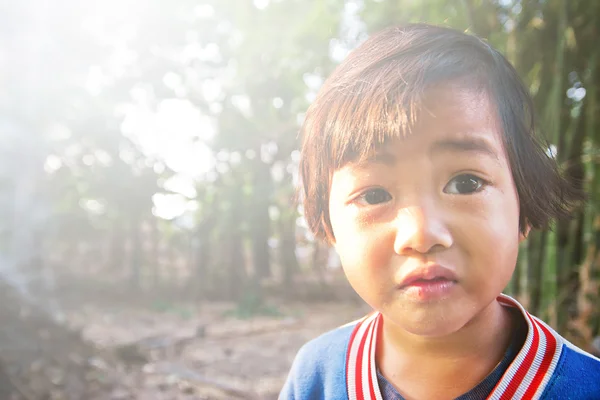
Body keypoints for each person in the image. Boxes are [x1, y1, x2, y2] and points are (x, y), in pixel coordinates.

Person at [280, 24, 600, 400]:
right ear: (329, 226)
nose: (421, 234)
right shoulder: (316, 375)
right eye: (374, 194)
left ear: (524, 208)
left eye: (466, 183)